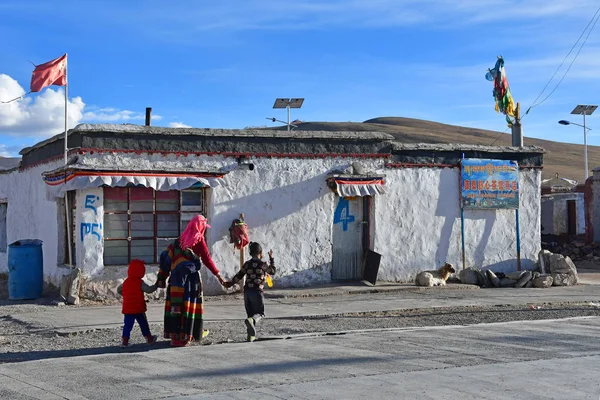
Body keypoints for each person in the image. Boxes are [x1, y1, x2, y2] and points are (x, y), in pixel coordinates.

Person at [156, 215, 225, 347]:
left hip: (175, 282)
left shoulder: (178, 241)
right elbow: (207, 259)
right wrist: (218, 275)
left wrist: (161, 278)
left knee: (176, 307)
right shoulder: (199, 240)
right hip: (190, 282)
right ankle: (187, 336)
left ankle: (175, 337)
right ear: (201, 227)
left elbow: (166, 257)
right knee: (189, 307)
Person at [223, 242, 275, 342]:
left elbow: (238, 276)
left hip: (247, 292)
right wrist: (271, 259)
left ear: (251, 253)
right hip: (257, 291)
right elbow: (272, 271)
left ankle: (251, 336)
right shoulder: (262, 264)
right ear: (260, 252)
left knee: (250, 315)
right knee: (260, 313)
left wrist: (228, 284)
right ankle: (252, 322)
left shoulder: (247, 264)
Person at [117, 259, 158, 348]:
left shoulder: (126, 282)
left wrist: (126, 294)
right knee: (143, 324)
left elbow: (119, 290)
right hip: (139, 308)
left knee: (127, 325)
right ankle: (149, 339)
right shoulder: (140, 282)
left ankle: (124, 341)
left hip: (128, 309)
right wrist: (156, 285)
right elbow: (149, 290)